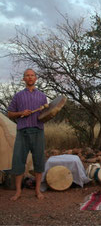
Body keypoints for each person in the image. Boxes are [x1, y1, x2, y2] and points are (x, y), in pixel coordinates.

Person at [7, 68, 48, 200]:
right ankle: (18, 191)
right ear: (24, 79)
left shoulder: (42, 96)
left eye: (32, 75)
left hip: (38, 131)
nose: (30, 78)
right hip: (22, 131)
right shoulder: (18, 96)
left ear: (36, 78)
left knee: (38, 161)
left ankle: (37, 190)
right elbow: (9, 113)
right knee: (18, 161)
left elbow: (46, 114)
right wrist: (21, 113)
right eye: (27, 76)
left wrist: (49, 112)